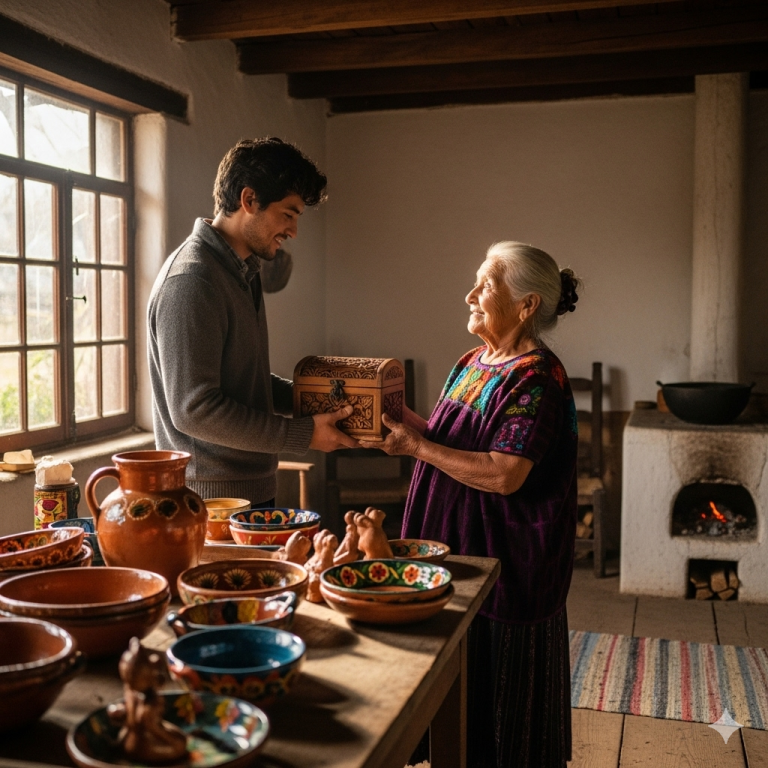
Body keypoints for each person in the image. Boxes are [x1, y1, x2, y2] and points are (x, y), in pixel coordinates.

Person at [363, 241, 580, 767]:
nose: (470, 296)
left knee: (501, 711)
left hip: (505, 564)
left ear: (526, 305)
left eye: (486, 285)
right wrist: (395, 420)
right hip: (453, 551)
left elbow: (505, 474)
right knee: (454, 687)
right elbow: (446, 437)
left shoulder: (537, 378)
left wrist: (416, 447)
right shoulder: (473, 361)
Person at [148, 137, 357, 506]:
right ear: (249, 201)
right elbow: (194, 411)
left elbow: (246, 383)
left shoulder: (242, 270)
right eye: (288, 214)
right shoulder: (192, 281)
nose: (293, 231)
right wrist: (303, 434)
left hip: (249, 492)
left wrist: (312, 398)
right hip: (210, 505)